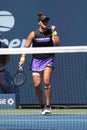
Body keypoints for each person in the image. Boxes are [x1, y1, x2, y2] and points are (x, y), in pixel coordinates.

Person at [19, 12, 60, 115]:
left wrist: (54, 32)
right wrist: (23, 58)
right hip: (36, 61)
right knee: (37, 84)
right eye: (43, 21)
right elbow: (26, 47)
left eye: (47, 21)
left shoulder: (51, 32)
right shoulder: (33, 34)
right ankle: (41, 106)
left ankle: (48, 106)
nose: (46, 22)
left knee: (46, 81)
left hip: (48, 59)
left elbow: (58, 44)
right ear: (39, 23)